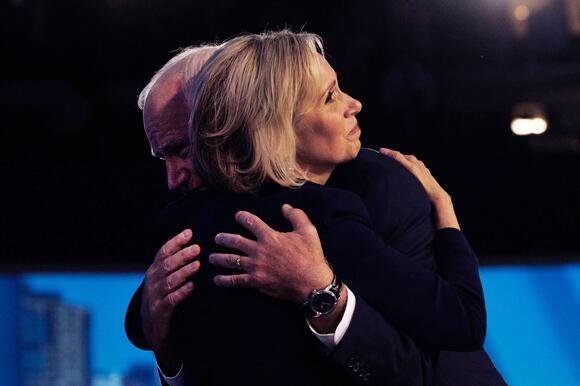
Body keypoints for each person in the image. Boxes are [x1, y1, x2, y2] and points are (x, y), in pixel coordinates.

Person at [126, 35, 505, 385]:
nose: (173, 178)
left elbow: (419, 364)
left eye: (183, 148)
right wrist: (165, 343)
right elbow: (149, 331)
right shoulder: (195, 217)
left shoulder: (376, 188)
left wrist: (323, 292)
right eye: (165, 155)